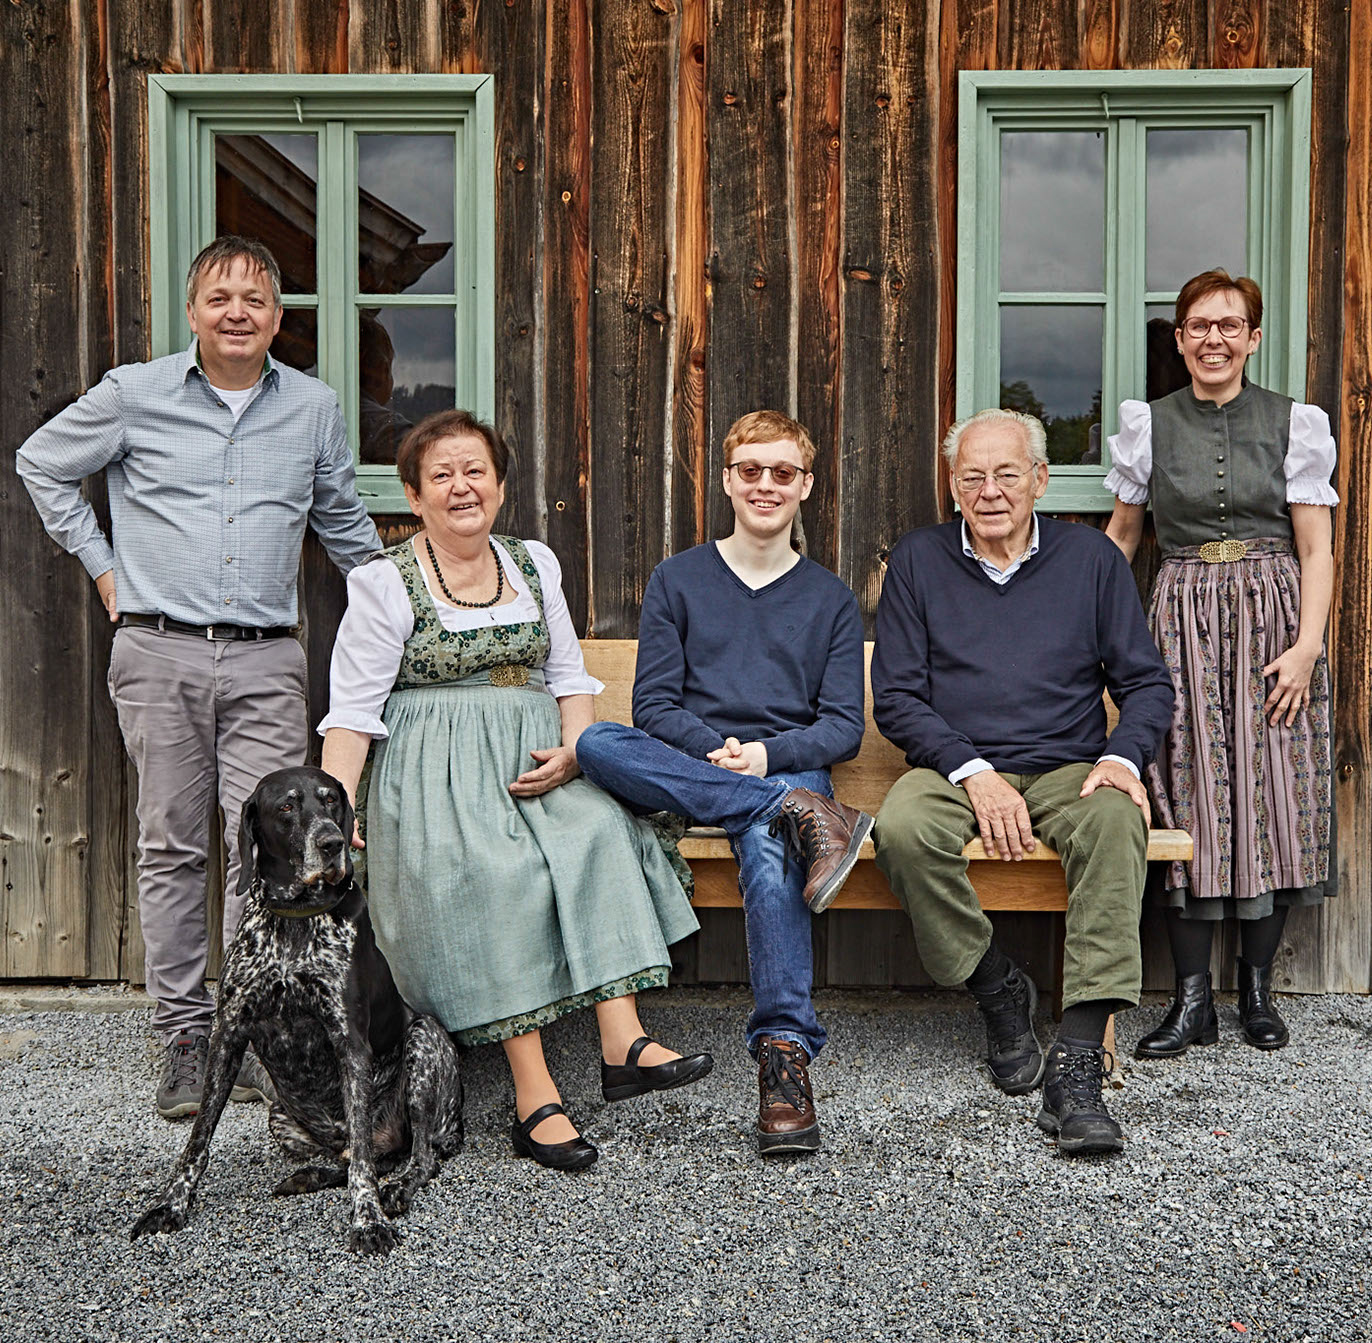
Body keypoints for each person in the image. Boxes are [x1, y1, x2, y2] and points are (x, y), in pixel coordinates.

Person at [16, 235, 382, 1119]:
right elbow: (41, 463)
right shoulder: (133, 393)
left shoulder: (313, 407)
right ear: (192, 311)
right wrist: (105, 568)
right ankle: (184, 1033)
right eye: (220, 297)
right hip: (159, 647)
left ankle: (247, 1028)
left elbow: (343, 525)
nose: (237, 312)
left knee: (266, 846)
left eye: (255, 299)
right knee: (172, 841)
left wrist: (413, 596)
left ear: (277, 317)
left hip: (266, 655)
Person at [319, 409, 711, 1172]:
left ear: (498, 485)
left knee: (601, 831)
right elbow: (353, 713)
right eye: (442, 475)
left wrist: (574, 752)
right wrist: (339, 810)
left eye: (476, 471)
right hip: (434, 771)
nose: (462, 487)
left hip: (533, 759)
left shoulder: (533, 561)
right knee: (497, 875)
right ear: (414, 493)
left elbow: (568, 677)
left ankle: (621, 1039)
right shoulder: (382, 582)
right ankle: (535, 1099)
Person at [871, 408, 1175, 1156]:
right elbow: (899, 697)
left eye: (1008, 473)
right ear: (953, 486)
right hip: (955, 765)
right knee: (902, 828)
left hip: (1069, 765)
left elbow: (1148, 685)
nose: (991, 489)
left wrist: (1122, 759)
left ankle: (1075, 1066)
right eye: (973, 475)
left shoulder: (1091, 561)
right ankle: (995, 984)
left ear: (1040, 479)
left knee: (1115, 820)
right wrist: (974, 773)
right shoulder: (918, 561)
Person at [575, 410, 871, 1157]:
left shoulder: (830, 596)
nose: (764, 485)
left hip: (788, 765)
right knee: (598, 741)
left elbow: (841, 726)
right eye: (750, 470)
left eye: (782, 472)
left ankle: (783, 1058)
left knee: (771, 856)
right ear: (726, 479)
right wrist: (719, 754)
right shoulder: (679, 578)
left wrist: (767, 758)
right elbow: (653, 707)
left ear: (805, 485)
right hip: (697, 767)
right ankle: (797, 812)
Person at [1104, 268, 1338, 1057]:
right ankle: (1192, 1000)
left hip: (1273, 616)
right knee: (1188, 792)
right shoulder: (1150, 425)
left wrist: (1306, 646)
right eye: (1199, 325)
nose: (1213, 338)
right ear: (1179, 339)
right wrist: (1098, 627)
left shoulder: (1293, 422)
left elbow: (1315, 547)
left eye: (1229, 325)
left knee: (1269, 790)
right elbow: (1124, 539)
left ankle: (1258, 994)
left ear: (1253, 337)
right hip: (1180, 616)